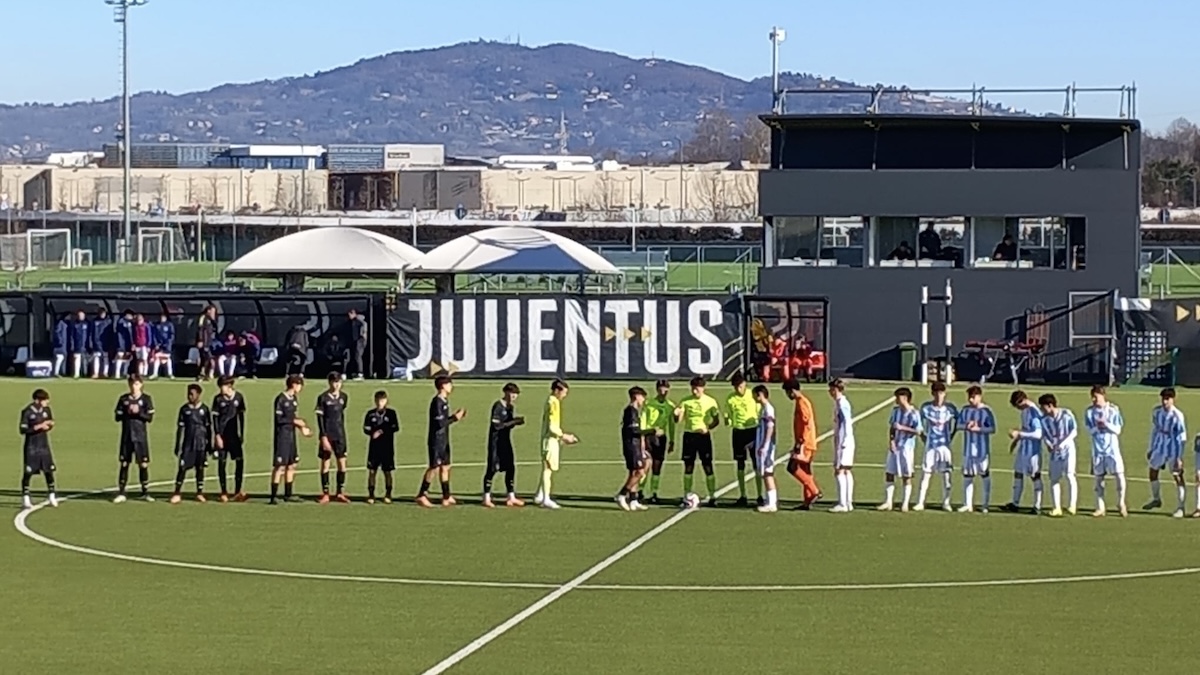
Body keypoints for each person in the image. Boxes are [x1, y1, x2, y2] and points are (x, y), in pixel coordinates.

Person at [417, 375, 466, 508]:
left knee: (445, 467)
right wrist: (455, 418)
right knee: (434, 467)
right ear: (443, 386)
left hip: (444, 439)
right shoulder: (437, 402)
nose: (452, 386)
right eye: (449, 384)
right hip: (436, 440)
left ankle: (446, 496)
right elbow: (439, 423)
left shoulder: (444, 401)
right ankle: (422, 494)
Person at [674, 376, 720, 507]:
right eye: (693, 389)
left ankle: (712, 496)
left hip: (703, 437)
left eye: (697, 389)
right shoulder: (685, 402)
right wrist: (676, 414)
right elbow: (678, 420)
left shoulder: (711, 402)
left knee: (707, 466)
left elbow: (716, 421)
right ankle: (686, 495)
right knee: (688, 467)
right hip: (689, 436)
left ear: (703, 388)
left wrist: (708, 428)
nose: (694, 392)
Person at [1083, 385, 1127, 518]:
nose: (1093, 400)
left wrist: (1106, 424)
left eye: (1096, 397)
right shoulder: (1089, 412)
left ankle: (1121, 502)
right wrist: (1097, 427)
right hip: (1097, 449)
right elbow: (1089, 430)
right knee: (1098, 478)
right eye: (1092, 397)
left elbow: (1118, 430)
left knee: (1119, 475)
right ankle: (1100, 507)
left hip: (1112, 449)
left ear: (1103, 395)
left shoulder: (1113, 410)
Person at [113, 374, 155, 504]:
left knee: (143, 464)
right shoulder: (123, 399)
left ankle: (145, 492)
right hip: (127, 436)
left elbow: (149, 418)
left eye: (136, 384)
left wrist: (138, 413)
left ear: (141, 385)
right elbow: (117, 417)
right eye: (131, 384)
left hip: (140, 437)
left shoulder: (146, 399)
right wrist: (127, 411)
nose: (133, 387)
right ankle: (121, 492)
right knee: (124, 463)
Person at [535, 379, 577, 509]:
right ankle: (546, 498)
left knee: (547, 468)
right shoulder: (553, 403)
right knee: (548, 469)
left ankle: (540, 495)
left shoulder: (552, 401)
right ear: (557, 390)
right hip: (550, 440)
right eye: (564, 392)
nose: (565, 396)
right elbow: (552, 427)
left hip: (550, 439)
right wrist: (565, 436)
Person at [1145, 387, 1187, 518]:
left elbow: (1182, 437)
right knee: (1152, 472)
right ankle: (1156, 499)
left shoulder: (1177, 415)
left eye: (1167, 399)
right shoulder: (1157, 412)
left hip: (1173, 448)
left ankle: (1181, 507)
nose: (1164, 402)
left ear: (1173, 400)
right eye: (1163, 399)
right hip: (1159, 446)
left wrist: (1179, 457)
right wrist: (1151, 448)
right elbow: (1155, 430)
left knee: (1177, 476)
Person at [269, 375, 311, 505]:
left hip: (291, 436)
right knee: (280, 466)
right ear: (293, 384)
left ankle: (288, 494)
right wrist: (295, 421)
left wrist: (301, 428)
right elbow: (279, 420)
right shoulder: (281, 399)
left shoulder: (294, 399)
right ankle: (273, 496)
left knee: (292, 464)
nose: (300, 388)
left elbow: (294, 418)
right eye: (299, 385)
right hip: (282, 436)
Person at [915, 382, 956, 512]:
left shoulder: (951, 409)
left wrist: (951, 435)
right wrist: (923, 437)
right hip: (931, 446)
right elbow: (919, 425)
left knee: (946, 475)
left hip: (944, 446)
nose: (939, 396)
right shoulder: (926, 408)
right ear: (932, 394)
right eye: (937, 393)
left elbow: (958, 422)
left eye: (942, 393)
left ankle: (946, 502)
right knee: (926, 473)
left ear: (945, 394)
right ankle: (920, 502)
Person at [880, 386, 921, 512]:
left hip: (906, 448)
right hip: (895, 447)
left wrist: (903, 428)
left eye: (898, 397)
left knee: (906, 475)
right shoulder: (895, 411)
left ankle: (905, 503)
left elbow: (918, 431)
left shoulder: (914, 413)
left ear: (905, 398)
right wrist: (891, 441)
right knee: (889, 473)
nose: (896, 400)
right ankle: (888, 502)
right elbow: (892, 427)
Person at [484, 382, 525, 508]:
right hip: (495, 442)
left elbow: (507, 425)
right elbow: (496, 426)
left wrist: (515, 422)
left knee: (511, 467)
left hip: (506, 441)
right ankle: (486, 497)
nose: (514, 396)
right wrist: (513, 422)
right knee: (492, 468)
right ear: (506, 392)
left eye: (516, 394)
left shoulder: (510, 407)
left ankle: (511, 496)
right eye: (512, 393)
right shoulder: (498, 406)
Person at [724, 372, 761, 507]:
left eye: (739, 386)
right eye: (735, 387)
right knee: (740, 464)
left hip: (752, 432)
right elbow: (727, 414)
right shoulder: (730, 399)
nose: (737, 389)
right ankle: (743, 495)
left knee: (756, 464)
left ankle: (759, 495)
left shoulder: (752, 395)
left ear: (744, 384)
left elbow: (759, 411)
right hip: (738, 433)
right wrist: (727, 420)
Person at [956, 386, 996, 513]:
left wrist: (979, 429)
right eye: (969, 397)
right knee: (968, 475)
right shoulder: (965, 410)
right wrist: (966, 426)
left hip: (982, 450)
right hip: (968, 449)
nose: (970, 400)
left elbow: (992, 429)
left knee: (984, 475)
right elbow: (958, 425)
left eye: (973, 397)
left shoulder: (986, 411)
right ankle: (967, 504)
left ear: (979, 396)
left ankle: (985, 504)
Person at [1004, 390, 1044, 514]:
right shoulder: (1025, 412)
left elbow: (1038, 434)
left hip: (1033, 451)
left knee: (1035, 476)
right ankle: (1015, 503)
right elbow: (1024, 429)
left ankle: (1037, 506)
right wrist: (1016, 440)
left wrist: (1019, 434)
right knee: (1018, 473)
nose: (1018, 409)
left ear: (1022, 401)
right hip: (1024, 448)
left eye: (1018, 406)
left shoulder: (1034, 412)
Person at [170, 383, 212, 504]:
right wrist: (178, 445)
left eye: (192, 394)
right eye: (188, 394)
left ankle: (199, 493)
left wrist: (209, 445)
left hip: (201, 443)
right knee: (182, 468)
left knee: (200, 468)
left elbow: (209, 428)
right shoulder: (184, 409)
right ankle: (177, 492)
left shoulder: (204, 409)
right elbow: (180, 428)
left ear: (199, 395)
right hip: (188, 444)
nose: (190, 396)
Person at [783, 379, 821, 509]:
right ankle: (807, 501)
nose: (787, 396)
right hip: (805, 441)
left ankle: (814, 490)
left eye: (787, 393)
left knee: (792, 467)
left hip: (805, 442)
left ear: (792, 391)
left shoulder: (802, 402)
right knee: (805, 470)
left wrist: (801, 443)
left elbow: (806, 423)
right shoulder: (802, 401)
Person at [1039, 393, 1078, 517]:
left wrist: (1063, 443)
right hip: (1054, 452)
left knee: (1069, 475)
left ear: (1050, 406)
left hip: (1068, 450)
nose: (1042, 410)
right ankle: (1056, 507)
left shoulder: (1067, 414)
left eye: (1043, 407)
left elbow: (1074, 431)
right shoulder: (1044, 420)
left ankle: (1072, 505)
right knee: (1054, 478)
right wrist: (1048, 444)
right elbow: (1044, 434)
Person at [315, 372, 351, 504]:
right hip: (327, 435)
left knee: (342, 464)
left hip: (340, 435)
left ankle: (340, 492)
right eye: (334, 382)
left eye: (339, 382)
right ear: (329, 382)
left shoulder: (344, 397)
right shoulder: (323, 398)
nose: (337, 385)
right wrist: (323, 436)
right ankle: (325, 493)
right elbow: (319, 418)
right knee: (325, 464)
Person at [19, 388, 57, 510]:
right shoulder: (27, 412)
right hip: (31, 446)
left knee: (49, 470)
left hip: (44, 445)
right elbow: (23, 430)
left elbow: (50, 422)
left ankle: (51, 495)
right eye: (45, 400)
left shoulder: (46, 410)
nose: (47, 402)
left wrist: (49, 425)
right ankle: (25, 497)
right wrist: (38, 426)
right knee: (28, 472)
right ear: (37, 400)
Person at [211, 376, 248, 502]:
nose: (221, 389)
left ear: (230, 386)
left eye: (223, 386)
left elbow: (241, 417)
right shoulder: (218, 399)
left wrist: (242, 434)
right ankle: (224, 491)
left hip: (234, 436)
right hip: (222, 436)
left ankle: (237, 491)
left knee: (239, 462)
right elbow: (215, 419)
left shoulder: (239, 397)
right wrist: (217, 435)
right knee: (222, 463)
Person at [638, 379, 675, 504]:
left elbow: (671, 424)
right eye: (660, 389)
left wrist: (672, 440)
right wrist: (642, 437)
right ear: (657, 389)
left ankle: (654, 492)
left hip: (661, 439)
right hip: (649, 437)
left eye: (665, 389)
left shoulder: (670, 406)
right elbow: (643, 420)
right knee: (646, 465)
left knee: (657, 466)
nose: (663, 391)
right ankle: (640, 491)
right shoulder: (649, 404)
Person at [363, 390, 400, 504]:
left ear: (386, 401)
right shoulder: (370, 414)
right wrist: (372, 433)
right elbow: (366, 428)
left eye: (382, 400)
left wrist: (382, 431)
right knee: (372, 471)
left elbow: (395, 427)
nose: (380, 403)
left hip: (387, 447)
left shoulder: (391, 413)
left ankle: (388, 494)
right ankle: (371, 494)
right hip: (374, 447)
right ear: (375, 401)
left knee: (387, 471)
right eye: (378, 400)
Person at [616, 386, 650, 511]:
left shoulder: (634, 411)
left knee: (634, 472)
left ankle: (633, 499)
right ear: (636, 397)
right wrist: (651, 431)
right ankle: (621, 495)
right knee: (640, 472)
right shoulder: (631, 411)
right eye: (642, 397)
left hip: (635, 445)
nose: (643, 401)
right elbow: (634, 430)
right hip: (631, 445)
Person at [828, 379, 856, 513]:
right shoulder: (841, 403)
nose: (829, 392)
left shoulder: (842, 404)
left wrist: (843, 440)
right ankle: (848, 502)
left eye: (831, 389)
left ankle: (843, 503)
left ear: (835, 389)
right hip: (847, 440)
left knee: (839, 470)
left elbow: (846, 423)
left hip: (844, 441)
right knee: (846, 470)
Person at [752, 385, 780, 513]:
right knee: (766, 473)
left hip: (766, 447)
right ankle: (770, 501)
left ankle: (771, 503)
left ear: (760, 395)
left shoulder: (768, 409)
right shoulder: (763, 409)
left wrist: (764, 444)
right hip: (763, 445)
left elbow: (770, 427)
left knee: (767, 473)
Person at [151, 312, 176, 379]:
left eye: (163, 317)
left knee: (167, 359)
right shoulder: (156, 325)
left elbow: (172, 335)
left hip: (167, 346)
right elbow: (154, 335)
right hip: (159, 346)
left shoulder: (169, 325)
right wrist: (156, 344)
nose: (162, 318)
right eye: (161, 317)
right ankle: (155, 373)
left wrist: (168, 343)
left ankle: (170, 374)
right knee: (157, 359)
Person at [196, 305, 218, 380]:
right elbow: (200, 330)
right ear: (208, 311)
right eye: (212, 311)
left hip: (208, 343)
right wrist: (200, 340)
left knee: (207, 359)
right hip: (204, 343)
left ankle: (204, 375)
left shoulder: (211, 320)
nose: (213, 313)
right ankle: (202, 374)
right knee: (206, 359)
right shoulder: (203, 318)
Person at [90, 308, 112, 379]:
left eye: (104, 313)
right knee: (96, 358)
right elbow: (91, 333)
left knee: (105, 358)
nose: (102, 314)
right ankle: (95, 373)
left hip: (105, 343)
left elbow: (110, 333)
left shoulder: (108, 321)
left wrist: (110, 343)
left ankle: (105, 373)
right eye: (101, 313)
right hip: (96, 343)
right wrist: (92, 343)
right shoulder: (94, 321)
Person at [348, 309, 368, 380]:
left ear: (354, 313)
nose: (349, 316)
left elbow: (364, 328)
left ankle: (360, 373)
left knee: (358, 356)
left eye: (350, 314)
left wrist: (363, 336)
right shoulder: (352, 322)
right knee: (355, 357)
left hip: (360, 340)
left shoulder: (360, 321)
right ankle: (356, 372)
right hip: (355, 341)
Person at [114, 309, 135, 378]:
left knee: (127, 358)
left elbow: (132, 334)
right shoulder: (121, 321)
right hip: (121, 343)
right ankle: (117, 373)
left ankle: (124, 372)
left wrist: (133, 343)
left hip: (128, 344)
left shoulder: (132, 323)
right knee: (120, 357)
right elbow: (121, 327)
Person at [69, 309, 89, 378]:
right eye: (79, 315)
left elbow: (90, 335)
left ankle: (85, 373)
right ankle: (77, 374)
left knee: (85, 360)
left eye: (82, 315)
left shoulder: (87, 324)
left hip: (85, 345)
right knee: (77, 359)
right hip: (77, 345)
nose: (81, 317)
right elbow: (72, 336)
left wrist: (89, 344)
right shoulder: (74, 324)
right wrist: (72, 345)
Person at [131, 314, 153, 378]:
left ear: (143, 320)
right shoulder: (135, 327)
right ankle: (140, 373)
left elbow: (149, 336)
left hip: (144, 345)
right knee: (139, 360)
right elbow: (133, 336)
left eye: (140, 320)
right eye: (138, 320)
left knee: (144, 360)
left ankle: (145, 373)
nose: (139, 321)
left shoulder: (146, 326)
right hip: (137, 345)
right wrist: (134, 344)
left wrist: (148, 345)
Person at [52, 312, 69, 377]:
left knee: (61, 359)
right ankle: (56, 372)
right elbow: (57, 333)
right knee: (59, 358)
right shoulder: (60, 323)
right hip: (60, 346)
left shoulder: (65, 324)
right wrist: (60, 341)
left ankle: (60, 372)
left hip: (63, 345)